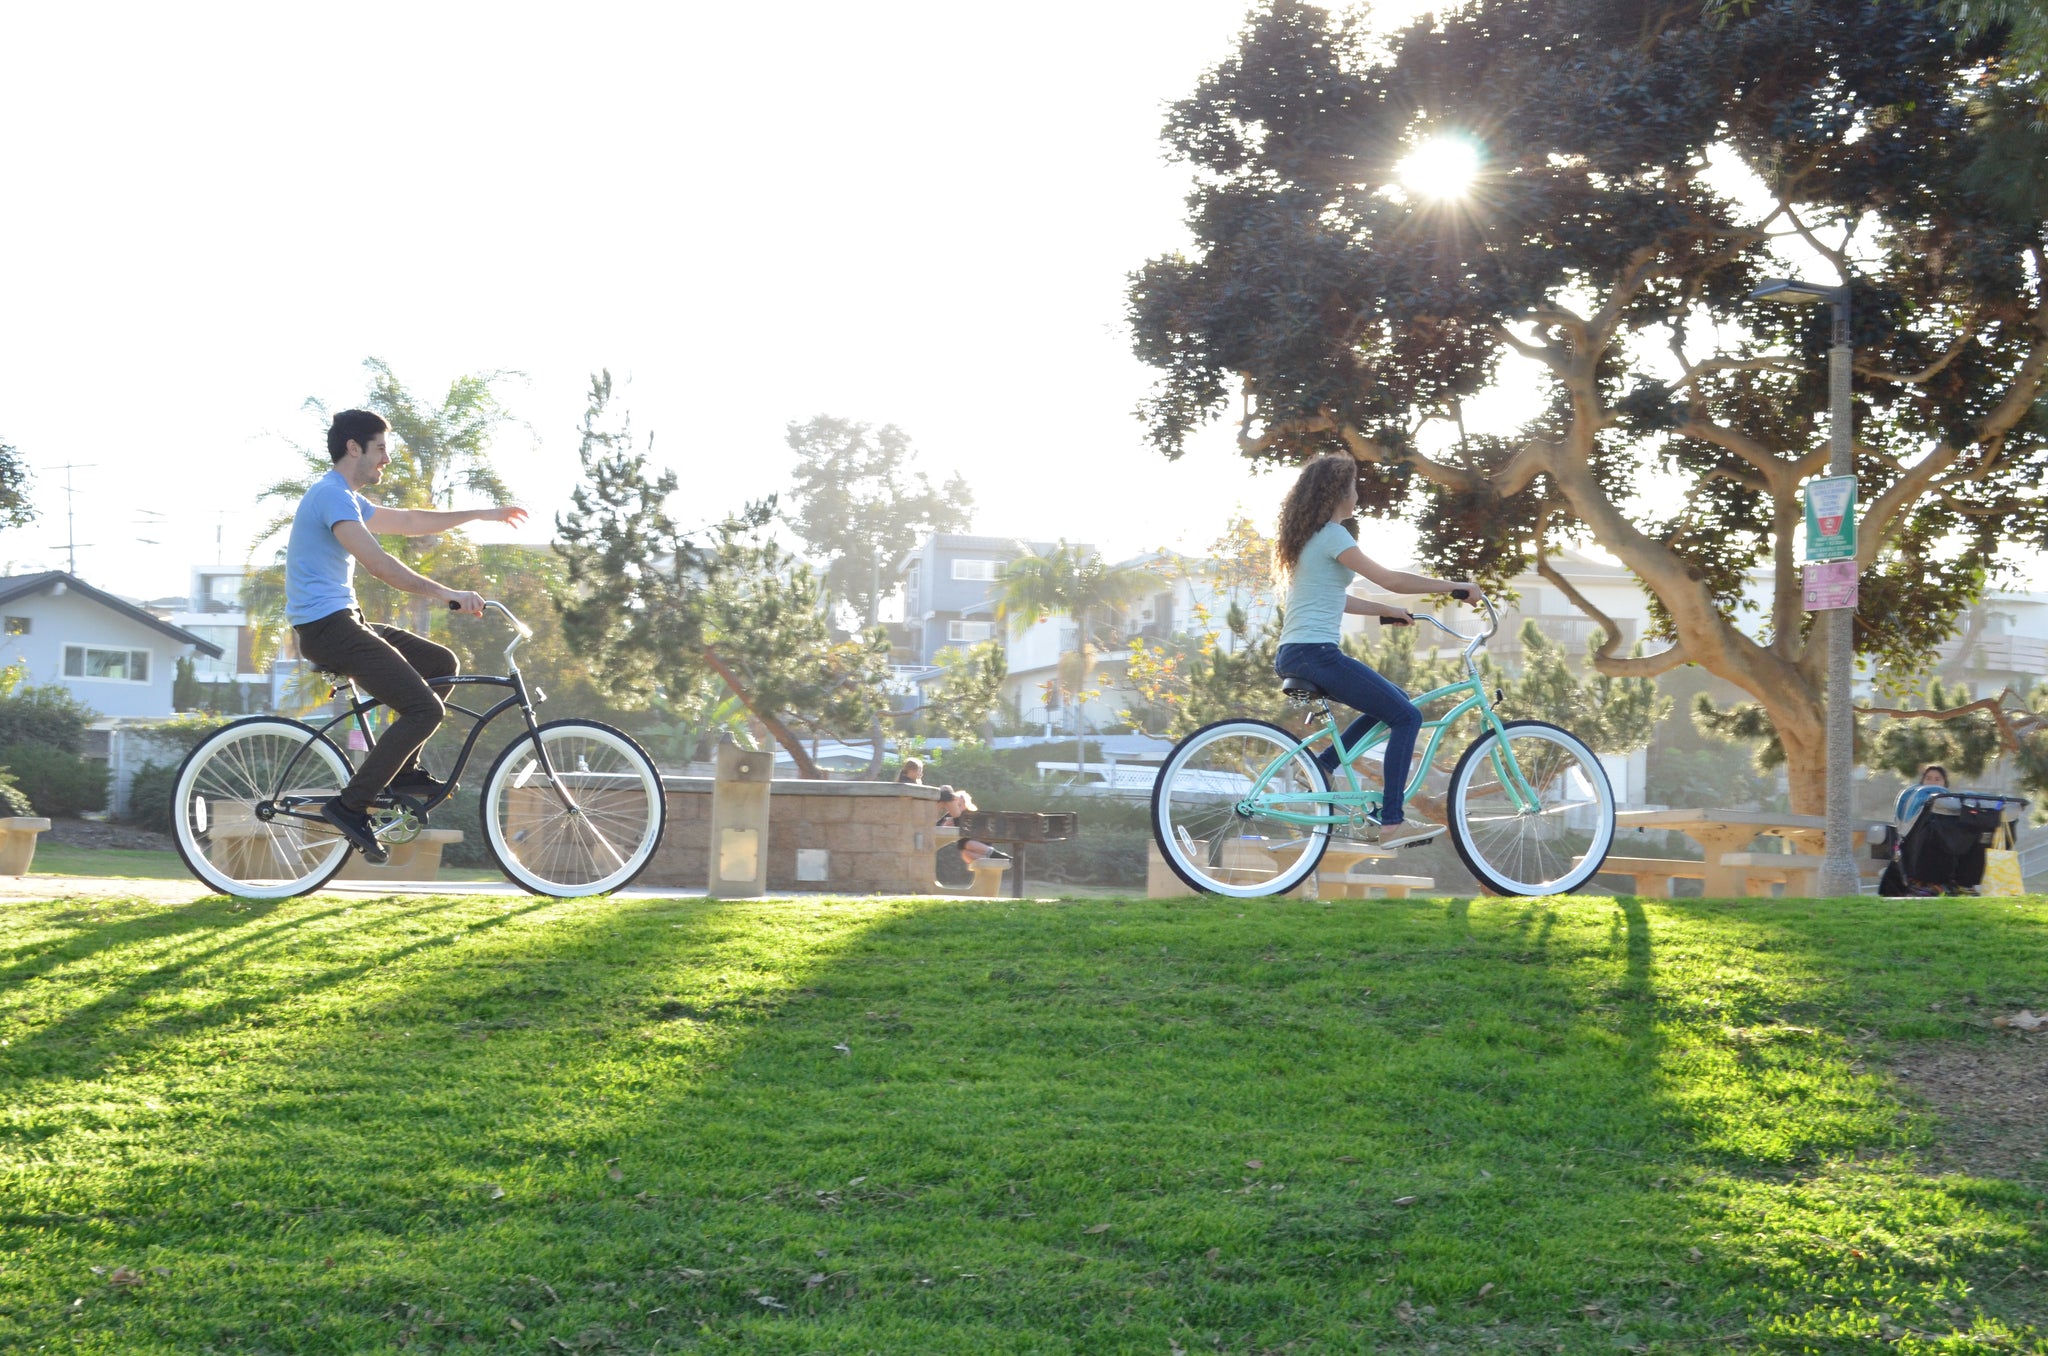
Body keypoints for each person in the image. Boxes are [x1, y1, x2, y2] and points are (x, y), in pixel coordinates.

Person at [288, 408, 529, 860]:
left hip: (345, 622)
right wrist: (448, 593)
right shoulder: (331, 496)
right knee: (424, 710)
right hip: (328, 628)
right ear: (353, 448)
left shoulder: (345, 497)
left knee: (441, 664)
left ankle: (403, 773)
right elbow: (379, 564)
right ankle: (349, 806)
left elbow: (413, 521)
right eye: (380, 448)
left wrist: (484, 513)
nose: (387, 459)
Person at [1271, 454, 1481, 848]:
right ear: (1338, 493)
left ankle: (1322, 765)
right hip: (1316, 654)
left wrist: (1386, 611)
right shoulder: (1334, 536)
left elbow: (1338, 599)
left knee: (1394, 702)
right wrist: (1455, 585)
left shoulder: (1310, 539)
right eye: (1354, 486)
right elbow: (1391, 579)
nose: (1358, 494)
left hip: (1297, 652)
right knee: (1407, 716)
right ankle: (1391, 821)